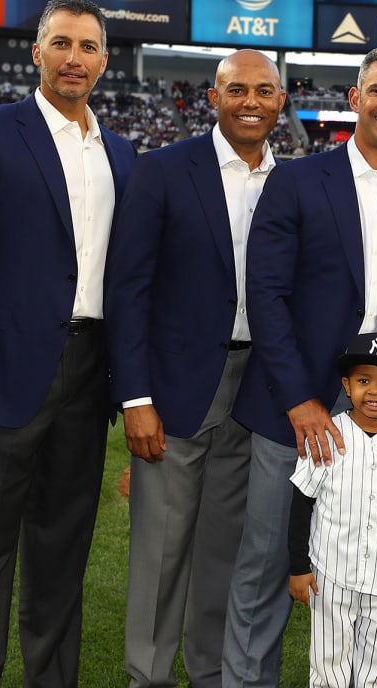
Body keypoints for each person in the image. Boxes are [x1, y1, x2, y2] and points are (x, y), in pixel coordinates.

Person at [0, 0, 137, 688]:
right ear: (37, 52)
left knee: (61, 552)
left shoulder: (123, 154)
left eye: (89, 47)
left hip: (87, 373)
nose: (75, 58)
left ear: (105, 61)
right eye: (62, 43)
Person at [225, 45, 377, 687]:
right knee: (268, 568)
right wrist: (298, 397)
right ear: (355, 99)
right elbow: (264, 294)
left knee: (371, 564)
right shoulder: (296, 181)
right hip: (290, 412)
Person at [106, 49, 286, 688]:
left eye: (264, 91)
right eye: (237, 90)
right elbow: (127, 291)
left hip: (257, 393)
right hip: (176, 389)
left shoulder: (293, 180)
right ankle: (148, 678)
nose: (250, 102)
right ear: (213, 98)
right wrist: (135, 398)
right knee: (160, 550)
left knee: (225, 553)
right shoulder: (161, 171)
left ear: (280, 103)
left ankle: (210, 673)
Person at [287, 331, 377, 687]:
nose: (375, 391)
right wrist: (298, 568)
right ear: (347, 386)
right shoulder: (328, 434)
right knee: (327, 667)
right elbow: (301, 504)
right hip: (329, 577)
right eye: (364, 380)